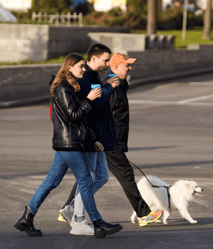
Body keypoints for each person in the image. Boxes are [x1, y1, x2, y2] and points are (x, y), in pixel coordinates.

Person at [14, 53, 122, 238]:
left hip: (68, 142)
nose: (83, 69)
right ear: (69, 67)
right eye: (80, 66)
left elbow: (81, 119)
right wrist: (88, 99)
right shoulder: (63, 88)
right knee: (86, 181)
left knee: (51, 182)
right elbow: (74, 116)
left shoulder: (72, 87)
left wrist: (93, 139)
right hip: (68, 143)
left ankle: (27, 218)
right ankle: (97, 223)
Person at [58, 47, 163, 228]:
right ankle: (143, 214)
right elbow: (100, 112)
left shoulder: (117, 85)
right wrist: (103, 139)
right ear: (115, 67)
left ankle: (68, 208)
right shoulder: (109, 87)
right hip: (108, 141)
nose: (130, 69)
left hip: (109, 140)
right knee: (125, 174)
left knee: (89, 175)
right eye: (126, 66)